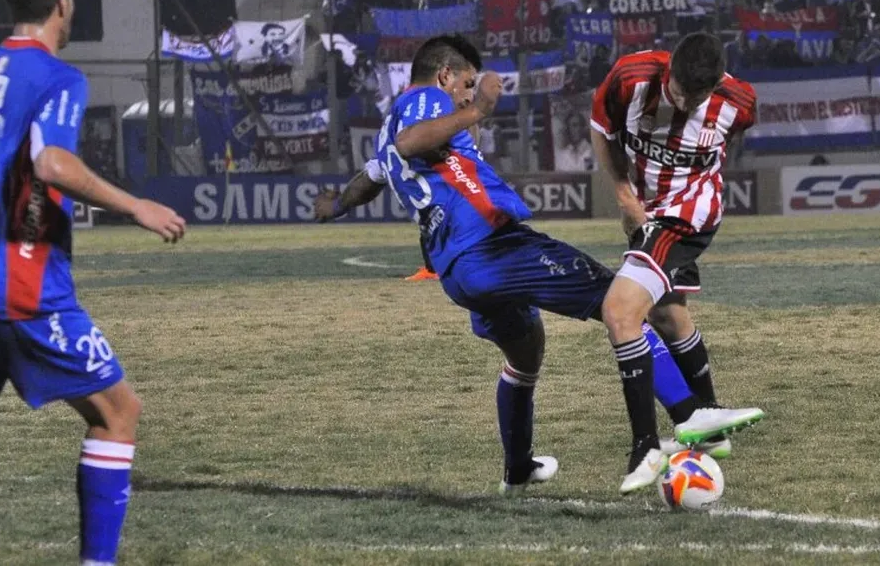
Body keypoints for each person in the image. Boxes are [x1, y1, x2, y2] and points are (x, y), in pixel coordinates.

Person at [314, 35, 763, 494]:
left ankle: (518, 466)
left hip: (460, 272)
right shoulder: (427, 100)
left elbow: (371, 177)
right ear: (445, 75)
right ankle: (689, 415)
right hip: (492, 245)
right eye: (466, 83)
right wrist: (477, 111)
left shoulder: (387, 129)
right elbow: (412, 142)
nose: (469, 93)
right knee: (622, 303)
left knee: (526, 354)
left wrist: (338, 206)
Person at [0, 0, 187, 565]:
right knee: (117, 411)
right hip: (22, 283)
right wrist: (134, 206)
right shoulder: (56, 77)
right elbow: (51, 162)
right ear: (63, 2)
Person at [590, 32, 765, 473]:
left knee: (619, 311)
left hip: (687, 217)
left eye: (696, 97)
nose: (684, 104)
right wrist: (625, 196)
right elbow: (601, 131)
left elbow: (731, 137)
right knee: (666, 314)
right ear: (669, 72)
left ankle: (646, 445)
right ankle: (708, 421)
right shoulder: (631, 78)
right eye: (678, 92)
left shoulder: (739, 102)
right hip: (645, 213)